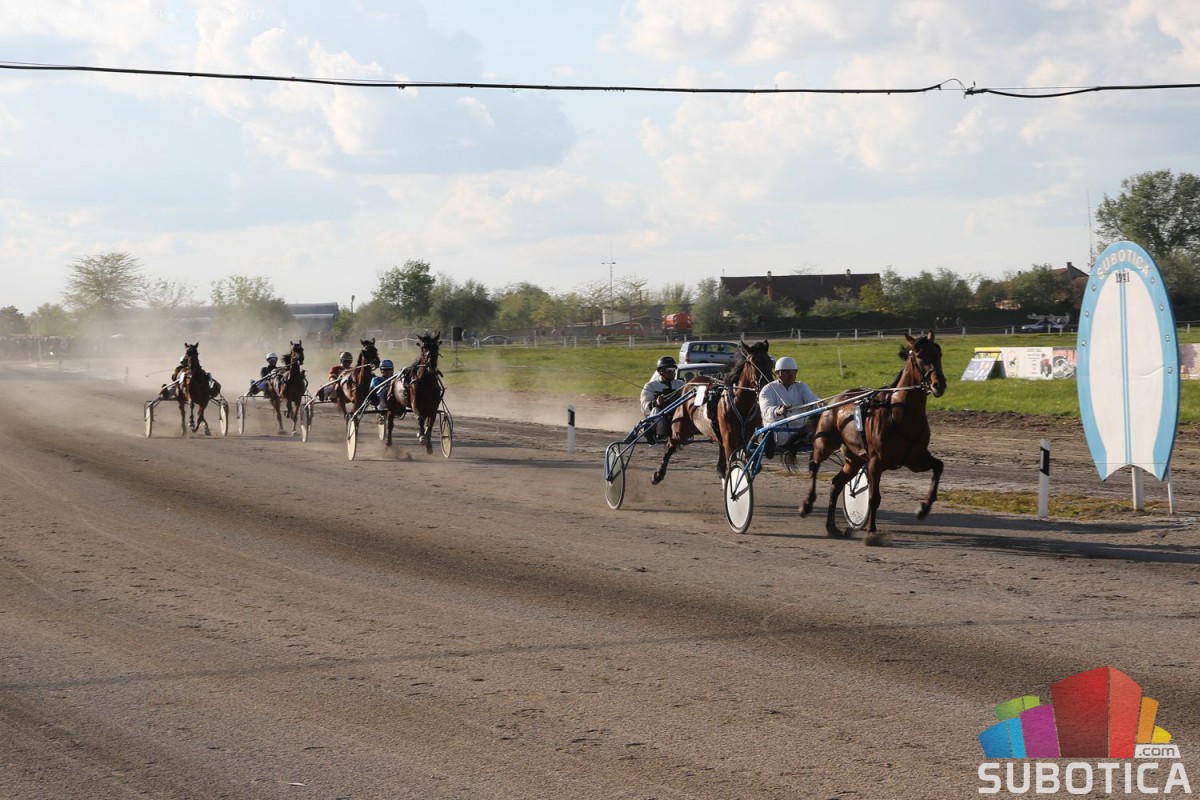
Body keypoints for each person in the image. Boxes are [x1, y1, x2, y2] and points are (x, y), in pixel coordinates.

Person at [758, 356, 821, 451]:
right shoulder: (768, 390)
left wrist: (818, 403)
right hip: (778, 433)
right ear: (778, 373)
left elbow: (812, 400)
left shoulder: (802, 387)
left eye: (794, 372)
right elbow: (765, 411)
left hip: (801, 432)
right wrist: (778, 411)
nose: (791, 375)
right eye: (787, 372)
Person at [640, 355, 685, 444]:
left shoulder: (681, 384)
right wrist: (655, 403)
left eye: (673, 369)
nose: (672, 372)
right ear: (660, 372)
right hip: (660, 414)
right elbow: (644, 406)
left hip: (677, 412)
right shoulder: (650, 386)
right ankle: (658, 434)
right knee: (656, 410)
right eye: (668, 370)